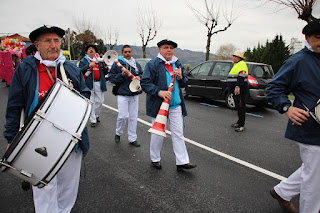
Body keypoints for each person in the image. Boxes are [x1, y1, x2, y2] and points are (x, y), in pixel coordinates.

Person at [3, 25, 91, 213]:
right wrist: (11, 139)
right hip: (38, 139)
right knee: (44, 188)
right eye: (47, 41)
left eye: (56, 40)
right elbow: (14, 106)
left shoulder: (70, 68)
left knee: (68, 188)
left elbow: (85, 94)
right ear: (37, 45)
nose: (53, 45)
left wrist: (75, 94)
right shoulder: (26, 69)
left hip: (70, 138)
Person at [266, 19, 320, 213]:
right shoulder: (298, 61)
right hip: (309, 127)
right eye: (318, 38)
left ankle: (282, 191)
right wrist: (287, 108)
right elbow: (273, 88)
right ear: (307, 38)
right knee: (314, 182)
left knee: (314, 170)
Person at [141, 39, 196, 171]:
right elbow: (145, 83)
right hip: (159, 106)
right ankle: (155, 158)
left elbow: (184, 82)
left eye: (171, 48)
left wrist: (181, 77)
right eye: (166, 47)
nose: (169, 50)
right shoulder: (153, 64)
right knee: (158, 133)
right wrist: (159, 92)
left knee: (178, 134)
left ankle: (182, 162)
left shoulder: (176, 63)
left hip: (175, 105)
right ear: (159, 49)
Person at [109, 45, 143, 147]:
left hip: (134, 94)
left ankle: (132, 138)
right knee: (123, 116)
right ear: (122, 53)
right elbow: (111, 78)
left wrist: (139, 77)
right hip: (122, 94)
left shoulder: (136, 64)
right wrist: (121, 75)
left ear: (131, 52)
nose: (127, 53)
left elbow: (142, 75)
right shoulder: (117, 64)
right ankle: (118, 133)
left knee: (133, 117)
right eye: (125, 52)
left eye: (129, 51)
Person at [79, 45, 108, 127]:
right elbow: (79, 71)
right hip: (88, 84)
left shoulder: (99, 60)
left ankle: (95, 114)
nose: (91, 50)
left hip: (99, 83)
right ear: (87, 52)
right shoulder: (84, 61)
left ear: (95, 52)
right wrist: (88, 66)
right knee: (91, 102)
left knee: (100, 101)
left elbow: (105, 72)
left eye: (93, 49)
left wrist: (105, 66)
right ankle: (93, 120)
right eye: (89, 49)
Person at [227, 50, 248, 132]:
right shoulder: (237, 65)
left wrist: (237, 86)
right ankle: (239, 122)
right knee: (238, 106)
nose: (233, 58)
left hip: (240, 90)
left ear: (238, 58)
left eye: (234, 56)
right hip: (236, 89)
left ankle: (241, 125)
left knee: (241, 106)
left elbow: (241, 76)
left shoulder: (241, 65)